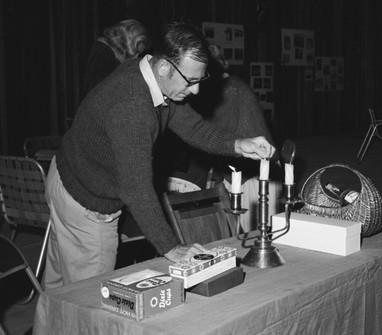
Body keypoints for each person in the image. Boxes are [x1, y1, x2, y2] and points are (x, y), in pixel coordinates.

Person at [43, 21, 275, 290]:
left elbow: (194, 127)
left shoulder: (147, 72)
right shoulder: (132, 107)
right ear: (164, 67)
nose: (197, 90)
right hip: (86, 203)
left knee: (57, 290)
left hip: (64, 175)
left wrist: (238, 144)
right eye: (191, 81)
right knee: (87, 301)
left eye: (201, 80)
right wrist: (173, 248)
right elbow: (137, 190)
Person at [180, 44, 283, 232]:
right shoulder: (225, 86)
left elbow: (215, 133)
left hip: (255, 171)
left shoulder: (230, 88)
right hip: (247, 166)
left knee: (254, 232)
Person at [81, 19, 150, 99]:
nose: (136, 57)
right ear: (124, 45)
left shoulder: (106, 52)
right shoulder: (102, 55)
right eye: (135, 53)